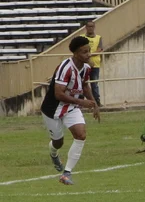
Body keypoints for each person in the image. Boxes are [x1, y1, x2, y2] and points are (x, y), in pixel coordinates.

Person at [41, 36, 100, 186]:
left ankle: (66, 173)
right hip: (52, 109)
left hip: (71, 107)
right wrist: (82, 102)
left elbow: (85, 85)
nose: (88, 54)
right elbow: (58, 94)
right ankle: (54, 154)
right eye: (84, 52)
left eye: (89, 51)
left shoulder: (86, 68)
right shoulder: (65, 68)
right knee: (58, 141)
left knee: (81, 135)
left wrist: (94, 104)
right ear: (75, 53)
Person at [81, 20, 103, 106]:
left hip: (95, 65)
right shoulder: (82, 37)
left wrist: (90, 55)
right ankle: (81, 101)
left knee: (94, 84)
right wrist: (87, 58)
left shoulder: (98, 38)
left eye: (92, 26)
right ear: (86, 28)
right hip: (83, 64)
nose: (90, 28)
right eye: (88, 26)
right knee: (82, 83)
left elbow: (99, 49)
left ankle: (96, 102)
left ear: (94, 27)